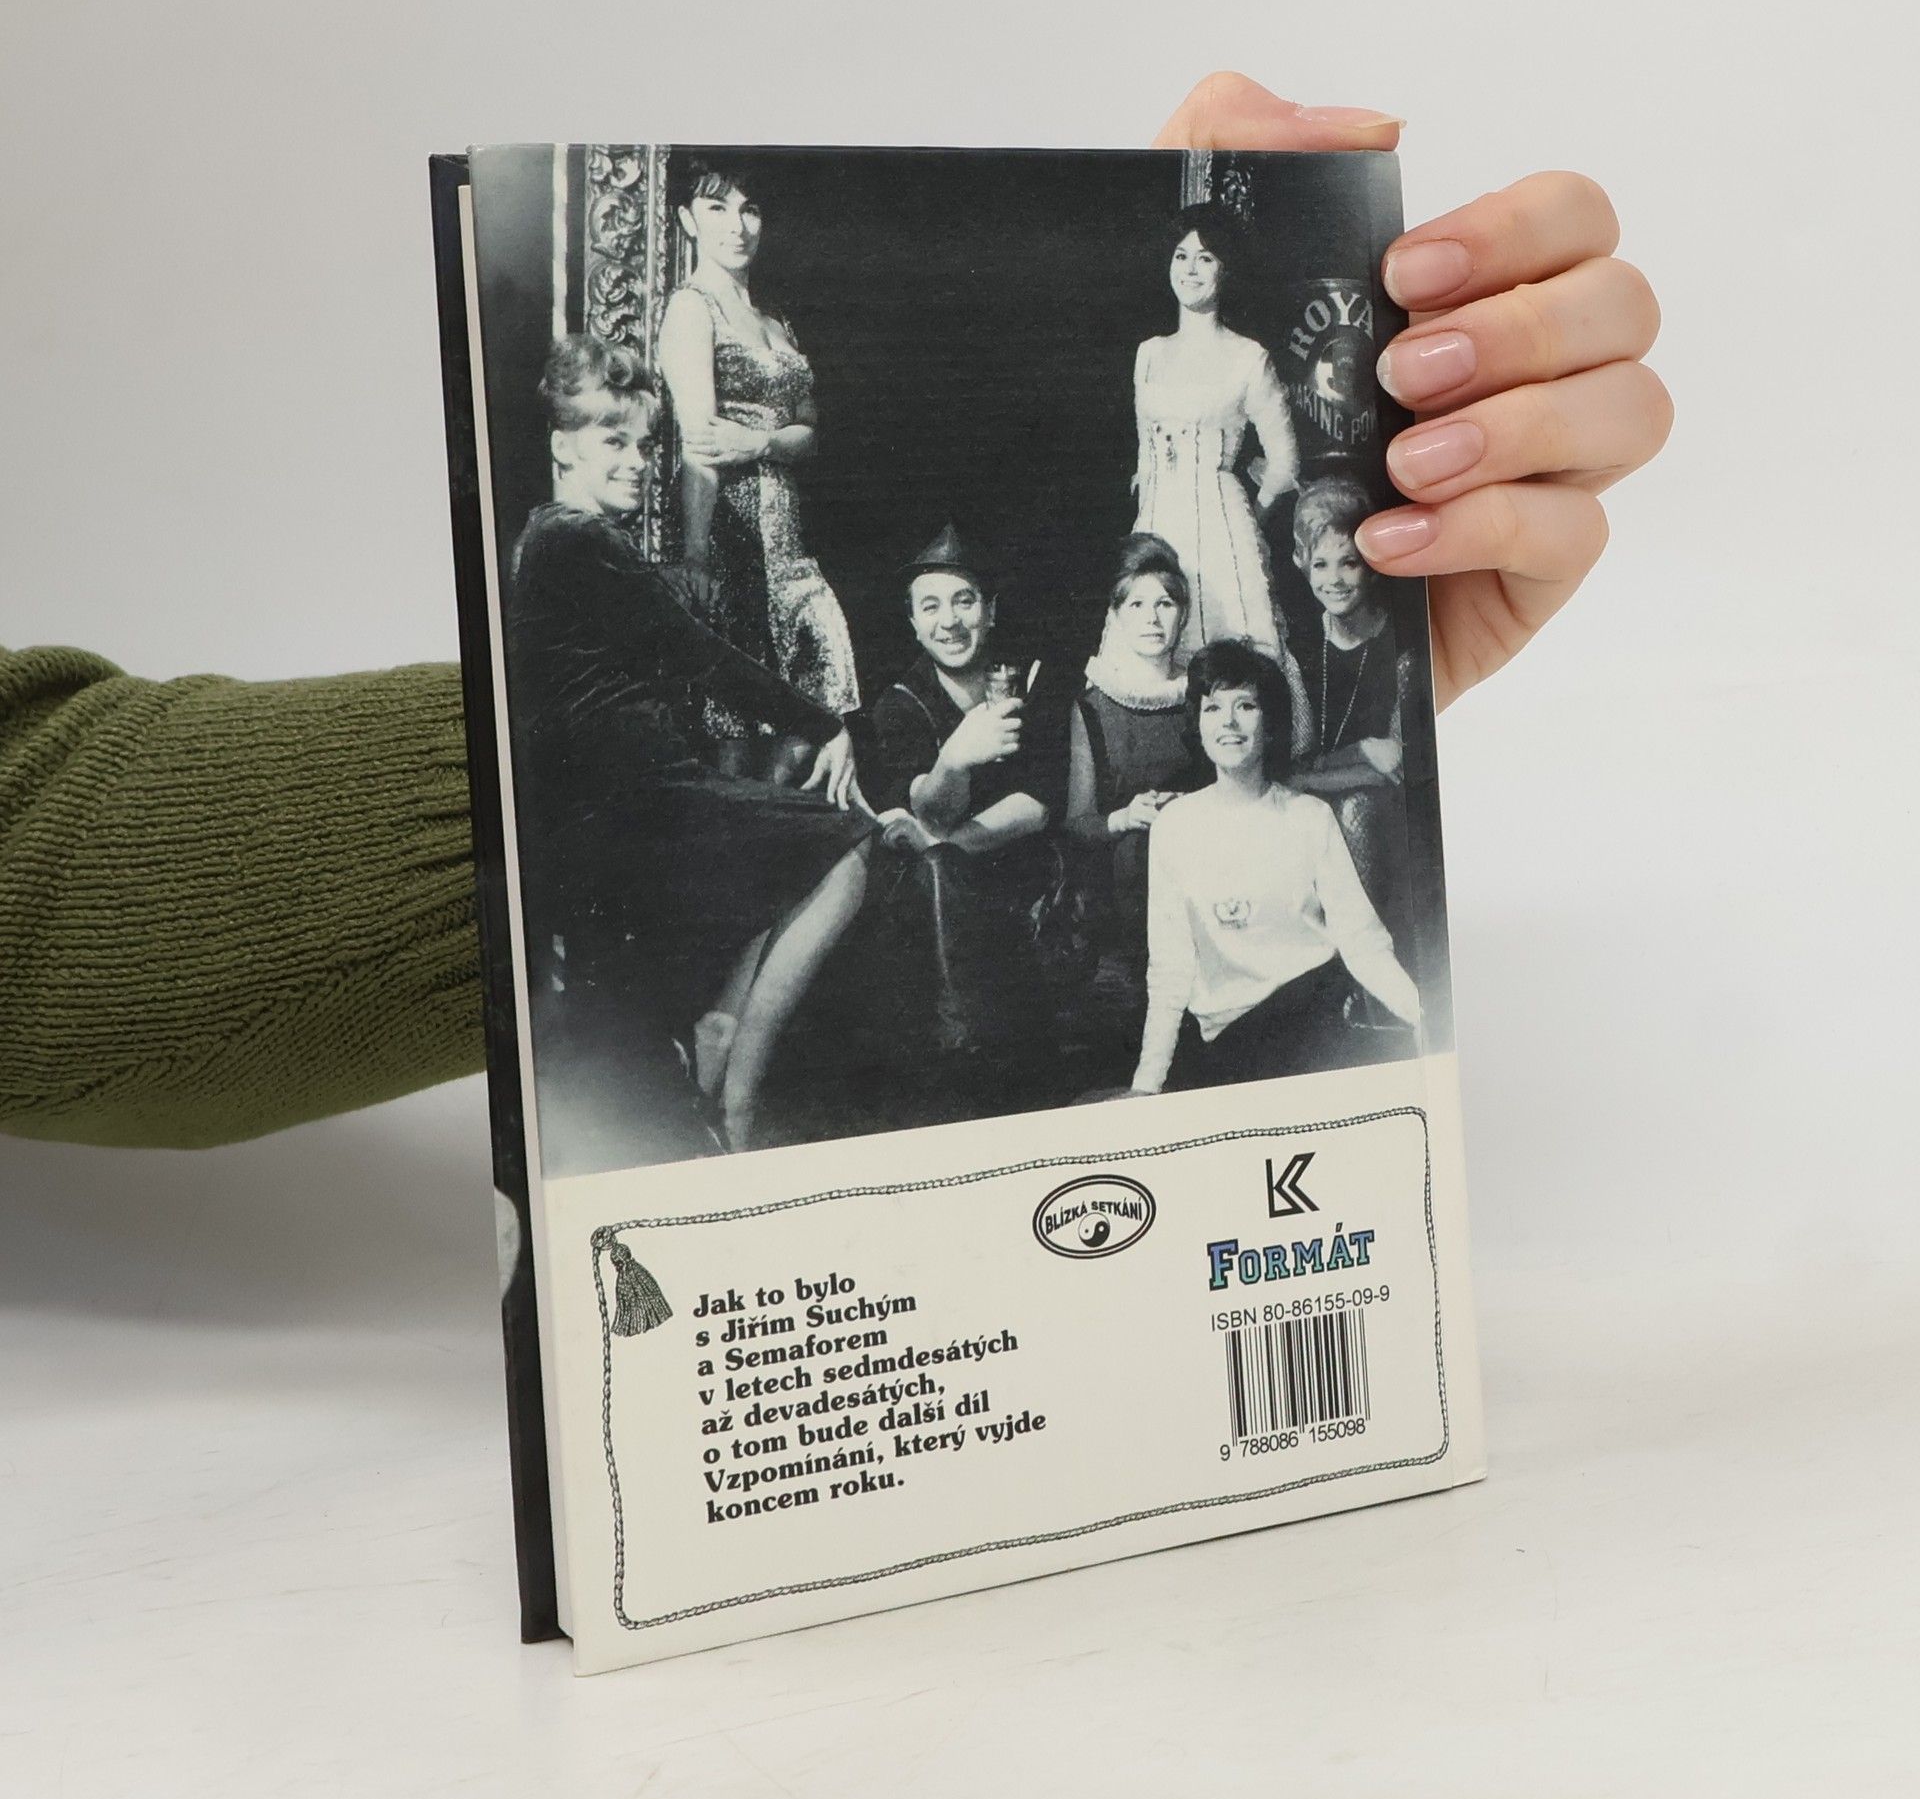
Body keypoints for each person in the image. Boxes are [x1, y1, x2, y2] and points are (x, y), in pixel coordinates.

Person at [0, 76, 1672, 1148]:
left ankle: (745, 1034)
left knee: (839, 809)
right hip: (745, 593)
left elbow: (52, 826)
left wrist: (1353, 669)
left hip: (953, 604)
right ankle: (741, 1063)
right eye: (725, 205)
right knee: (841, 819)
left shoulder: (1139, 492)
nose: (743, 221)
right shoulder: (630, 517)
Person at [506, 334, 870, 1161]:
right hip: (637, 805)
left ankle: (718, 1034)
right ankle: (735, 1103)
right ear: (562, 446)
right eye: (614, 441)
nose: (637, 463)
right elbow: (704, 656)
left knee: (800, 863)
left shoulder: (552, 539)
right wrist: (827, 723)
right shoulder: (577, 541)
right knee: (850, 844)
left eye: (644, 445)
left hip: (629, 801)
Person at [1130, 640, 1420, 1095]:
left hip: (1312, 1019)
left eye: (1245, 705)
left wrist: (1424, 1018)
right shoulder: (1174, 827)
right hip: (1224, 1040)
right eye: (1212, 708)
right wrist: (1147, 1083)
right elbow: (1169, 970)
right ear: (1198, 724)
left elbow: (1362, 941)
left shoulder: (1310, 817)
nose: (1228, 722)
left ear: (1269, 724)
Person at [655, 154, 860, 756]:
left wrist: (762, 442)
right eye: (717, 207)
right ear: (688, 220)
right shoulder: (692, 308)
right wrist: (697, 559)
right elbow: (701, 445)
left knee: (813, 711)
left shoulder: (776, 321)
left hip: (788, 544)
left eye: (749, 210)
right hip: (729, 537)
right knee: (738, 727)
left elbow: (809, 434)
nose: (737, 226)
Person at [865, 525, 1071, 1061]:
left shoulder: (1029, 679)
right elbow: (929, 808)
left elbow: (1038, 805)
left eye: (964, 601)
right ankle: (959, 1047)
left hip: (1026, 881)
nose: (950, 621)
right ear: (913, 624)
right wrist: (955, 759)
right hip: (937, 896)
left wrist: (942, 845)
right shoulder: (899, 703)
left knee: (936, 865)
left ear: (991, 610)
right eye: (930, 606)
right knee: (932, 878)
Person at [1130, 202, 1315, 758]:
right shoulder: (1149, 354)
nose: (1190, 269)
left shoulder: (1247, 357)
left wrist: (1246, 516)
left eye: (1205, 258)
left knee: (1229, 654)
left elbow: (1285, 462)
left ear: (1225, 270)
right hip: (1157, 523)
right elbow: (1144, 451)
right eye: (1181, 256)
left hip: (1221, 530)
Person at [1284, 475, 1416, 945]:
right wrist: (1361, 750)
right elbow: (1294, 768)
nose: (1334, 580)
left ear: (1372, 566)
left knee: (1355, 810)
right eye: (1320, 564)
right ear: (1302, 564)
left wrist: (1321, 774)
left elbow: (1396, 769)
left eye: (1349, 563)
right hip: (1315, 799)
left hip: (1382, 810)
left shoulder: (1402, 648)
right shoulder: (1299, 649)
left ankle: (1371, 957)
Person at [1063, 534, 1202, 969]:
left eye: (1165, 604)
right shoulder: (1093, 705)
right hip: (1124, 885)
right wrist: (1125, 818)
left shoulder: (1204, 693)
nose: (1152, 619)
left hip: (1201, 864)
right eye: (1136, 605)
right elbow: (1078, 823)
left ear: (1183, 614)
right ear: (1116, 616)